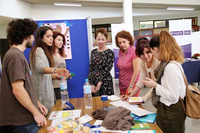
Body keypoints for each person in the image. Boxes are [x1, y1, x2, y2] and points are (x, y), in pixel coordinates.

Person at [0, 18, 47, 133]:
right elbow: (18, 90)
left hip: (24, 119)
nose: (33, 38)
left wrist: (36, 103)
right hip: (22, 121)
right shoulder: (15, 56)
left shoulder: (14, 54)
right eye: (32, 34)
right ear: (26, 35)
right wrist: (36, 113)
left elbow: (24, 87)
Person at [143, 31, 186, 133]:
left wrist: (155, 85)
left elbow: (173, 96)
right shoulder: (170, 64)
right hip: (169, 111)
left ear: (156, 49)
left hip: (171, 113)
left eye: (151, 52)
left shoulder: (170, 67)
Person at [29, 26, 70, 112]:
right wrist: (56, 70)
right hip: (42, 93)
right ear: (41, 38)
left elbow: (45, 74)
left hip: (48, 92)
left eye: (51, 36)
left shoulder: (44, 51)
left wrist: (56, 76)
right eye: (48, 36)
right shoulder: (38, 50)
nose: (51, 39)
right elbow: (40, 68)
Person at [121, 37, 160, 103]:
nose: (146, 56)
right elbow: (141, 81)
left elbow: (156, 85)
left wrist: (143, 99)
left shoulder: (157, 61)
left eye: (148, 52)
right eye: (142, 54)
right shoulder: (143, 62)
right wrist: (130, 96)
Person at [88, 28, 114, 96]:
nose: (100, 41)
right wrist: (91, 83)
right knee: (96, 103)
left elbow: (107, 69)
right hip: (94, 80)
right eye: (98, 39)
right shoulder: (93, 52)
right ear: (95, 39)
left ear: (106, 40)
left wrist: (100, 82)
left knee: (106, 103)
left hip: (105, 81)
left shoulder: (110, 52)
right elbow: (91, 68)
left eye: (103, 39)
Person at [115, 30, 140, 95]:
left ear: (128, 40)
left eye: (124, 42)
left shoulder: (134, 51)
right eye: (119, 43)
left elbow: (136, 71)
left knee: (131, 104)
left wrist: (131, 86)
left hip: (132, 85)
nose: (122, 45)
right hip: (122, 85)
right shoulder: (120, 51)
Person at [51, 31, 67, 100]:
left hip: (63, 84)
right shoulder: (49, 55)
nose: (61, 42)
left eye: (62, 40)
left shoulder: (61, 54)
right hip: (54, 86)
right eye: (59, 40)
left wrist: (67, 75)